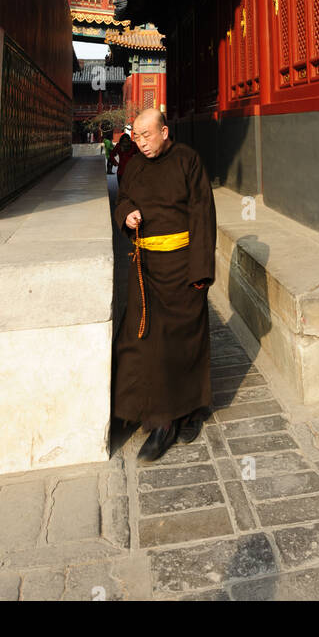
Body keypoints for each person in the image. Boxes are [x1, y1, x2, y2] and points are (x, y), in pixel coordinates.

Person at [111, 109, 216, 462]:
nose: (140, 142)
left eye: (146, 135)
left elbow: (203, 214)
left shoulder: (188, 161)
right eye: (136, 136)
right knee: (138, 339)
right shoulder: (136, 166)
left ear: (164, 131)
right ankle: (136, 408)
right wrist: (126, 213)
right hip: (145, 267)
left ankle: (181, 414)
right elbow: (123, 197)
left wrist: (200, 270)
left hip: (182, 266)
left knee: (181, 343)